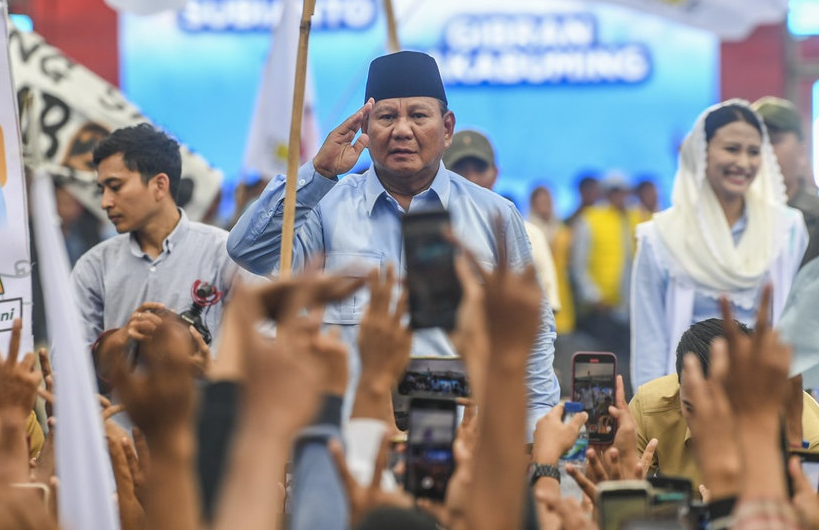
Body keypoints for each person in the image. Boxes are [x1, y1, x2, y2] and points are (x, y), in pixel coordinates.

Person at [226, 50, 559, 436]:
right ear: (365, 127)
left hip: (463, 446)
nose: (402, 130)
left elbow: (531, 335)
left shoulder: (495, 216)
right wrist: (317, 174)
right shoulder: (325, 207)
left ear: (447, 128)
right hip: (349, 444)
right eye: (387, 117)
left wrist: (535, 439)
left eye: (418, 116)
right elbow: (248, 250)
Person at [630, 100, 809, 388]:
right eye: (731, 149)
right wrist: (654, 417)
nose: (743, 162)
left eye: (753, 151)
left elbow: (800, 329)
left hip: (765, 396)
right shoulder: (660, 237)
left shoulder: (787, 229)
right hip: (688, 396)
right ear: (702, 152)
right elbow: (649, 343)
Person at [70, 123, 241, 349]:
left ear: (159, 185)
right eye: (102, 190)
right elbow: (69, 360)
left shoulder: (224, 253)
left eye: (115, 186)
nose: (105, 203)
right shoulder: (93, 268)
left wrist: (210, 369)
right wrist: (119, 341)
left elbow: (268, 334)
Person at [629, 317, 819, 494]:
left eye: (725, 409)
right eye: (691, 408)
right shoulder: (649, 408)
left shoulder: (805, 430)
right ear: (679, 387)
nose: (708, 424)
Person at [444, 128, 560, 312]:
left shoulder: (529, 235)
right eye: (460, 169)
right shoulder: (432, 233)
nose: (471, 179)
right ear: (442, 175)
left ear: (496, 173)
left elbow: (545, 314)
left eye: (479, 169)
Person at [570, 172, 641, 391]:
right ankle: (598, 413)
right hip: (603, 309)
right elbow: (578, 265)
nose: (619, 197)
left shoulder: (634, 218)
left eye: (623, 191)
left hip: (630, 308)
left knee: (628, 365)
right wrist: (594, 297)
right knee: (600, 365)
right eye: (614, 191)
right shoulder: (591, 219)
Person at [752, 96, 819, 267]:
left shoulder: (815, 214)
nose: (764, 150)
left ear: (801, 151)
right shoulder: (736, 215)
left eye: (774, 141)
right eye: (756, 142)